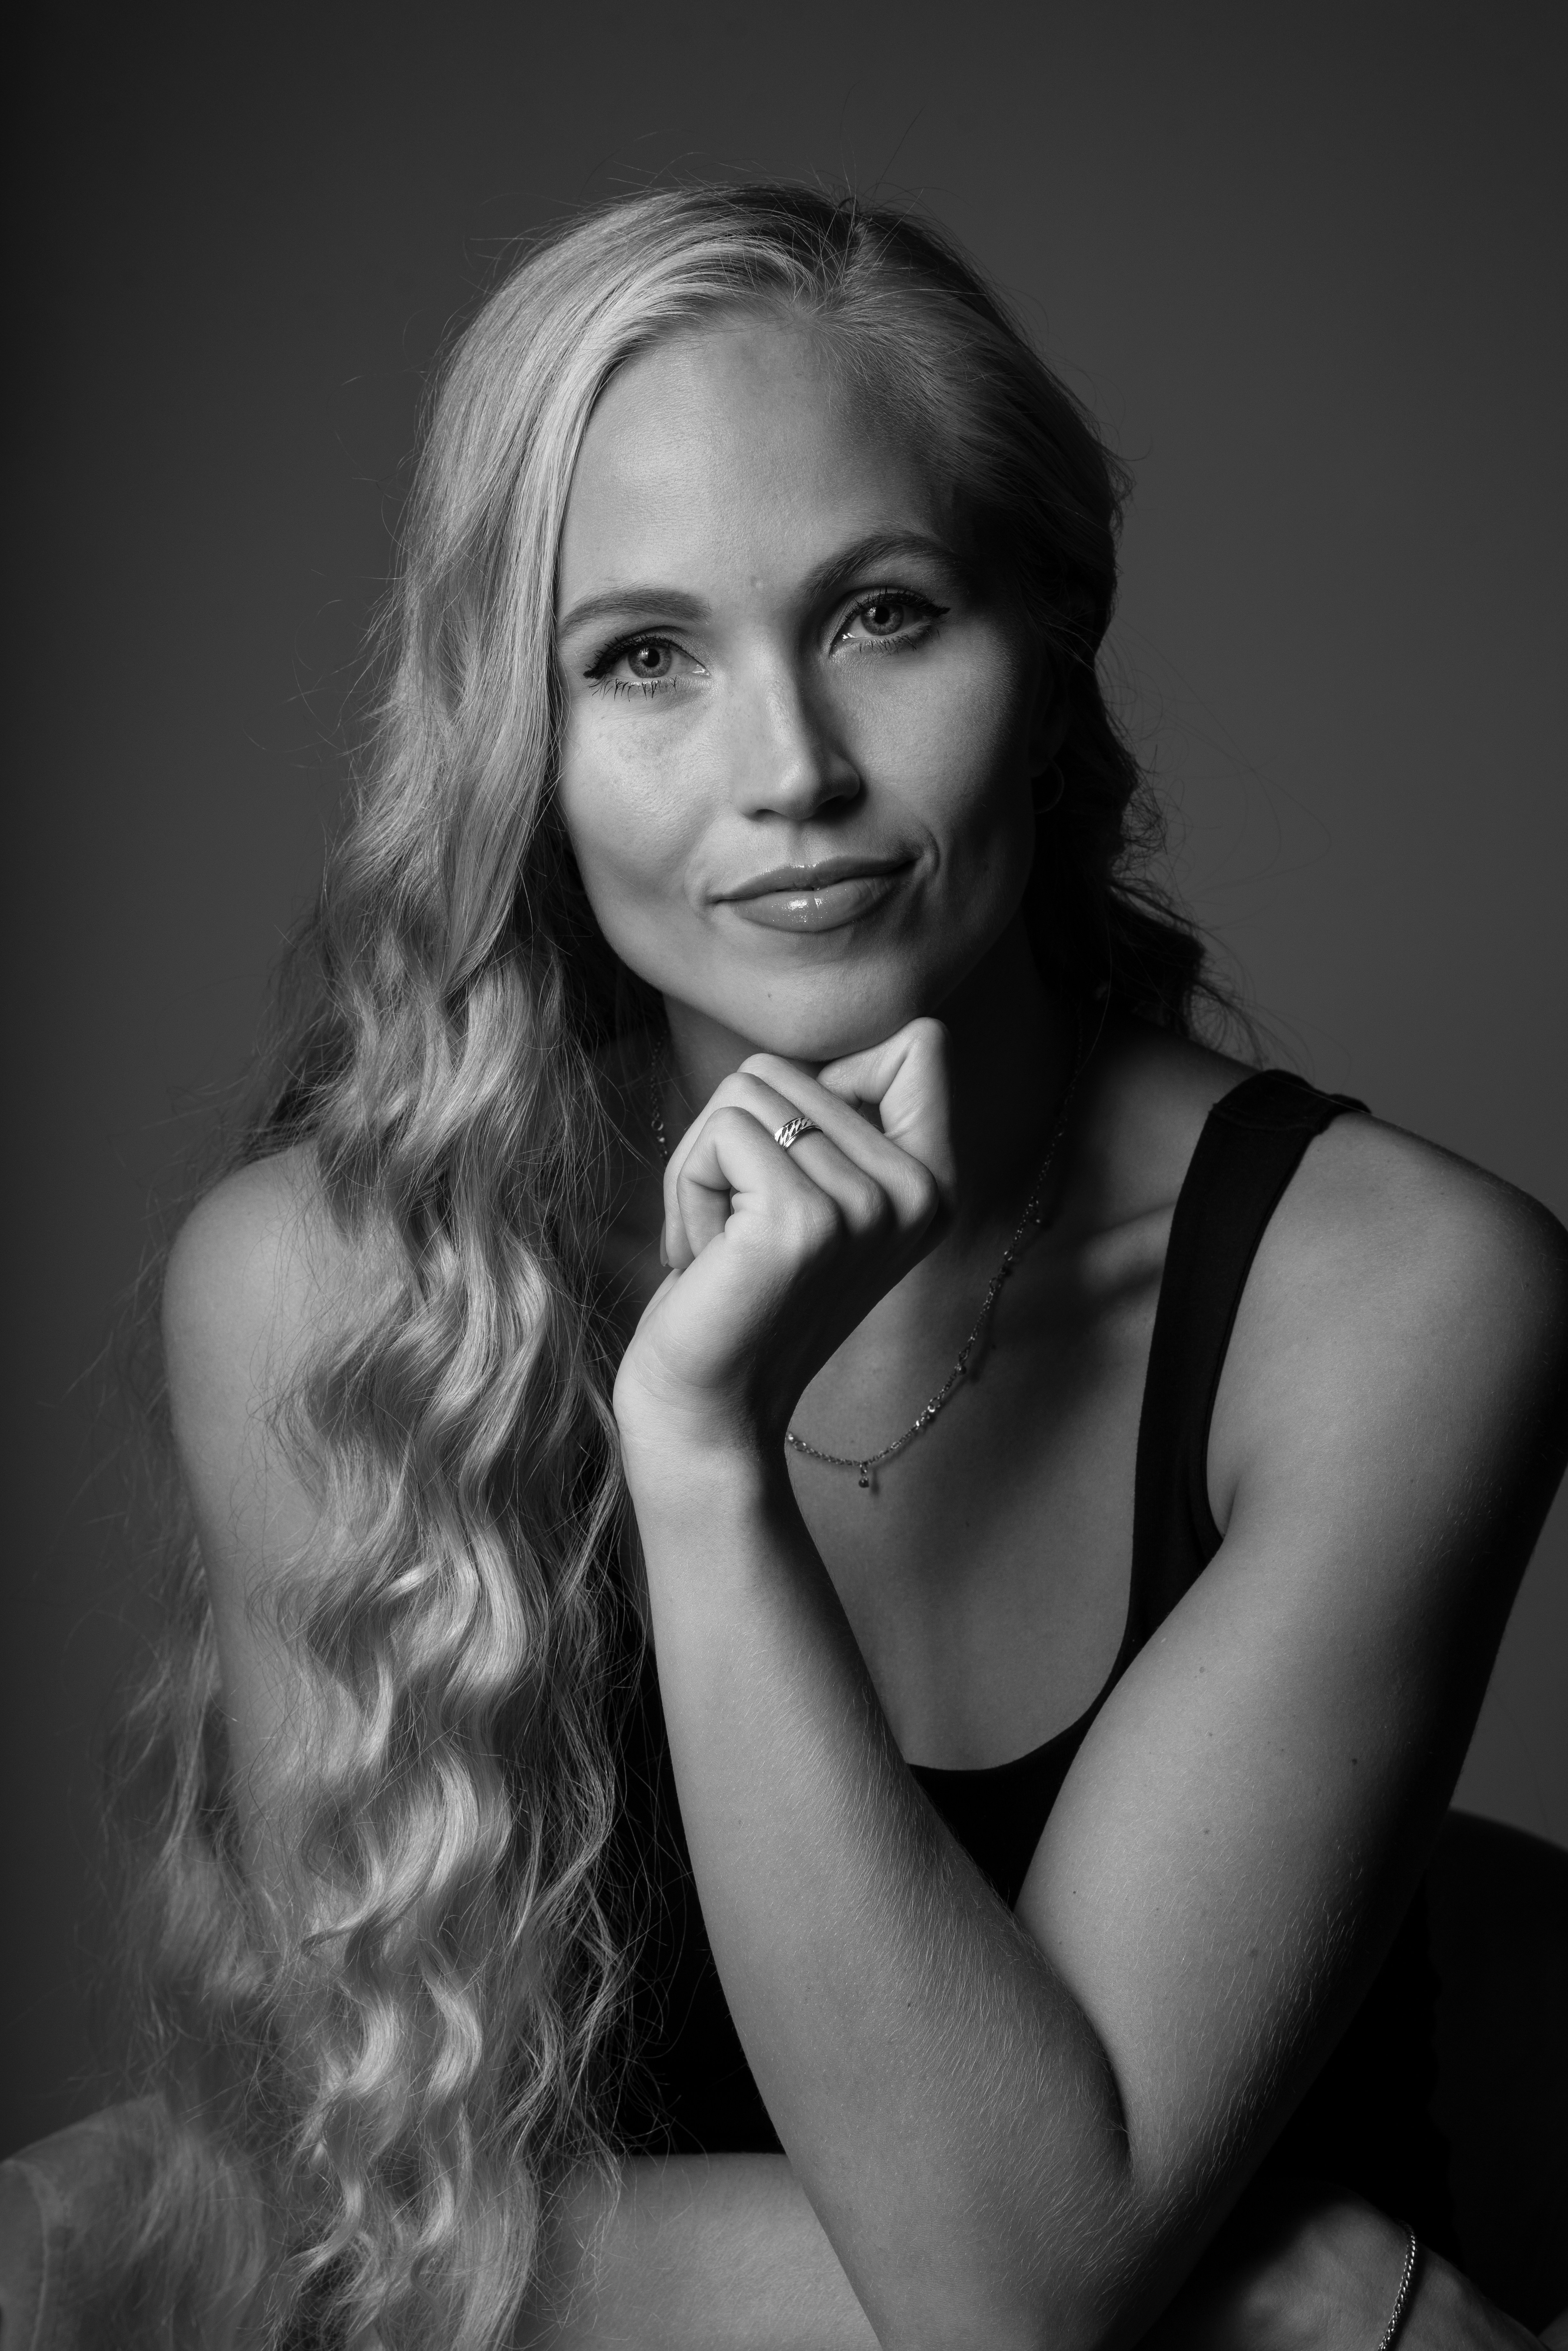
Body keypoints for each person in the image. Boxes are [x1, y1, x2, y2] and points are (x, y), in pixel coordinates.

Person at [118, 185, 1566, 2349]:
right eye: (642, 659)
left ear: (1051, 636)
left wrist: (690, 1464)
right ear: (516, 740)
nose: (788, 772)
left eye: (883, 616)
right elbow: (360, 2217)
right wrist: (1263, 2287)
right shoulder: (325, 1290)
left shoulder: (1395, 1298)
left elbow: (1007, 2289)